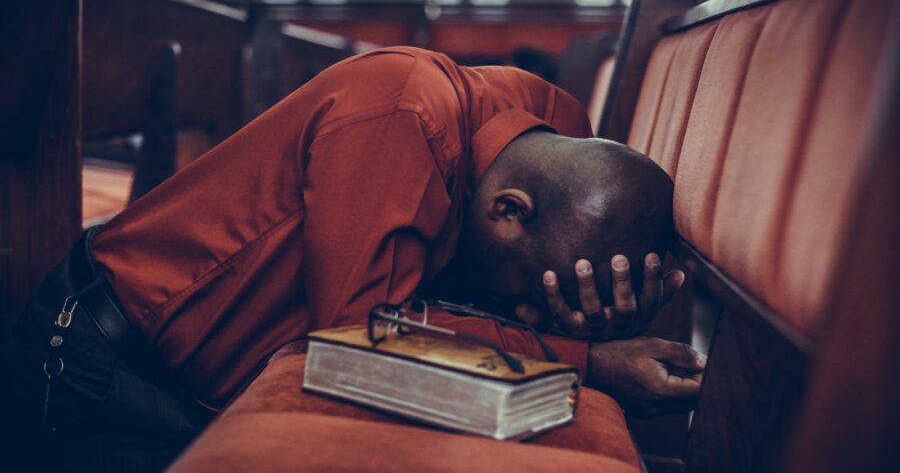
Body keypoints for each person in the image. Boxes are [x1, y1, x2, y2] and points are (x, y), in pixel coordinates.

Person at [0, 46, 704, 472]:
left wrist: (591, 322)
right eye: (528, 293)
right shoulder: (403, 119)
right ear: (508, 210)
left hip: (204, 386)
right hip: (103, 374)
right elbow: (364, 341)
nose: (526, 310)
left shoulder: (553, 128)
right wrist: (583, 359)